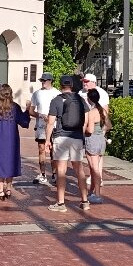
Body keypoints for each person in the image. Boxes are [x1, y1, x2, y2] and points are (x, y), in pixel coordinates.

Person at [45, 75, 90, 212]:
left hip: (60, 137)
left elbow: (51, 122)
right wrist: (80, 135)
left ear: (60, 85)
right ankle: (85, 201)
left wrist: (48, 140)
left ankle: (61, 203)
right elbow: (85, 121)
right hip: (76, 137)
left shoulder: (56, 100)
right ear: (71, 85)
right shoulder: (81, 100)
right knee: (79, 170)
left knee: (61, 170)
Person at [0, 83, 30, 199]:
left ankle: (0, 190)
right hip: (11, 140)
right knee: (10, 162)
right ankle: (8, 188)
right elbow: (24, 122)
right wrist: (27, 110)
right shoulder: (15, 107)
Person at [28, 72, 59, 184]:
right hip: (41, 125)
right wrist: (40, 115)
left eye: (44, 80)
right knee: (41, 149)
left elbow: (61, 111)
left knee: (54, 151)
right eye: (41, 80)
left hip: (54, 126)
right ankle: (42, 173)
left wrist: (52, 118)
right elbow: (31, 111)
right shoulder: (37, 94)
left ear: (50, 81)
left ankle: (55, 174)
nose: (42, 82)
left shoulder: (57, 93)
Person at [84, 87, 111, 203]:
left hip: (92, 140)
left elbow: (89, 130)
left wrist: (83, 130)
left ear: (89, 99)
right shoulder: (103, 111)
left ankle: (97, 194)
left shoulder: (91, 112)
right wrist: (102, 131)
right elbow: (109, 125)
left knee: (94, 169)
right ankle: (92, 192)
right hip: (101, 140)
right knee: (95, 168)